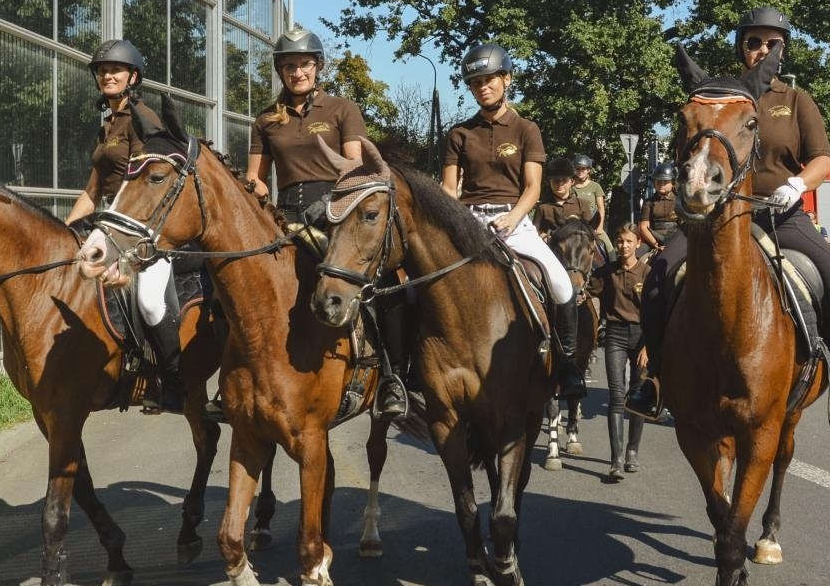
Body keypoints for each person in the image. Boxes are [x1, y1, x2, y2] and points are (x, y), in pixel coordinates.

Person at [626, 7, 830, 424]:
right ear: (741, 48)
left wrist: (797, 185)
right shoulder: (719, 96)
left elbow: (822, 158)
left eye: (771, 43)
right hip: (717, 217)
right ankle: (655, 378)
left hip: (781, 216)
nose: (761, 49)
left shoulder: (796, 100)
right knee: (659, 276)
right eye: (753, 42)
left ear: (782, 51)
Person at [247, 26, 408, 421]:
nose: (296, 72)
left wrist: (332, 209)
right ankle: (236, 379)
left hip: (334, 211)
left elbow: (353, 169)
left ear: (317, 66)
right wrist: (253, 195)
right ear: (280, 70)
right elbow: (256, 176)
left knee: (387, 287)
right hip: (283, 213)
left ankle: (392, 378)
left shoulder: (342, 109)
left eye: (303, 64)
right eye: (288, 65)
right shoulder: (266, 118)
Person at [442, 43, 586, 400]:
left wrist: (513, 217)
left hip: (514, 221)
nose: (482, 87)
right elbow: (448, 189)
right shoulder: (459, 134)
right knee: (423, 283)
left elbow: (534, 187)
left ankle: (567, 365)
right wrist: (453, 219)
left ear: (506, 79)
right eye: (475, 82)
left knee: (561, 284)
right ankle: (412, 367)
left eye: (489, 79)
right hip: (469, 222)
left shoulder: (526, 129)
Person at [65, 39, 185, 415]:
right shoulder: (108, 126)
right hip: (111, 223)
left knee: (149, 301)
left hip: (144, 228)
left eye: (116, 69)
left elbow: (151, 182)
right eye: (102, 70)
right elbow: (93, 188)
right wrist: (65, 231)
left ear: (133, 76)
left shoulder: (143, 119)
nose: (108, 75)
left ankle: (171, 381)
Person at [589, 223, 653, 480]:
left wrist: (649, 346)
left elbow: (655, 313)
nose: (623, 246)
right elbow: (586, 292)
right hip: (615, 334)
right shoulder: (606, 272)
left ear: (638, 243)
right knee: (617, 395)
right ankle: (615, 460)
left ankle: (632, 452)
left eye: (628, 241)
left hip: (642, 337)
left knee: (636, 396)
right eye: (619, 241)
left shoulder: (648, 273)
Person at [532, 156, 598, 239]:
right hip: (550, 247)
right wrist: (543, 237)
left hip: (578, 247)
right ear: (550, 182)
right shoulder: (542, 207)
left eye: (564, 180)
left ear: (572, 181)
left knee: (601, 246)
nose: (560, 184)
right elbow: (534, 232)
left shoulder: (582, 204)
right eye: (556, 180)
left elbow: (589, 229)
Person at [570, 154, 612, 258]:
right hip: (576, 223)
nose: (580, 171)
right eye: (577, 168)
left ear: (588, 170)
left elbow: (601, 207)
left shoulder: (595, 186)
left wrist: (600, 227)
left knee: (610, 248)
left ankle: (613, 267)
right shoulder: (570, 187)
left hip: (593, 223)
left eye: (583, 169)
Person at [636, 163, 680, 251]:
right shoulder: (648, 202)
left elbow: (683, 227)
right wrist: (655, 244)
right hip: (653, 238)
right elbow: (643, 227)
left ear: (673, 183)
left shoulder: (679, 201)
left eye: (665, 181)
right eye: (658, 181)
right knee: (637, 255)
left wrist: (675, 241)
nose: (661, 184)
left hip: (675, 238)